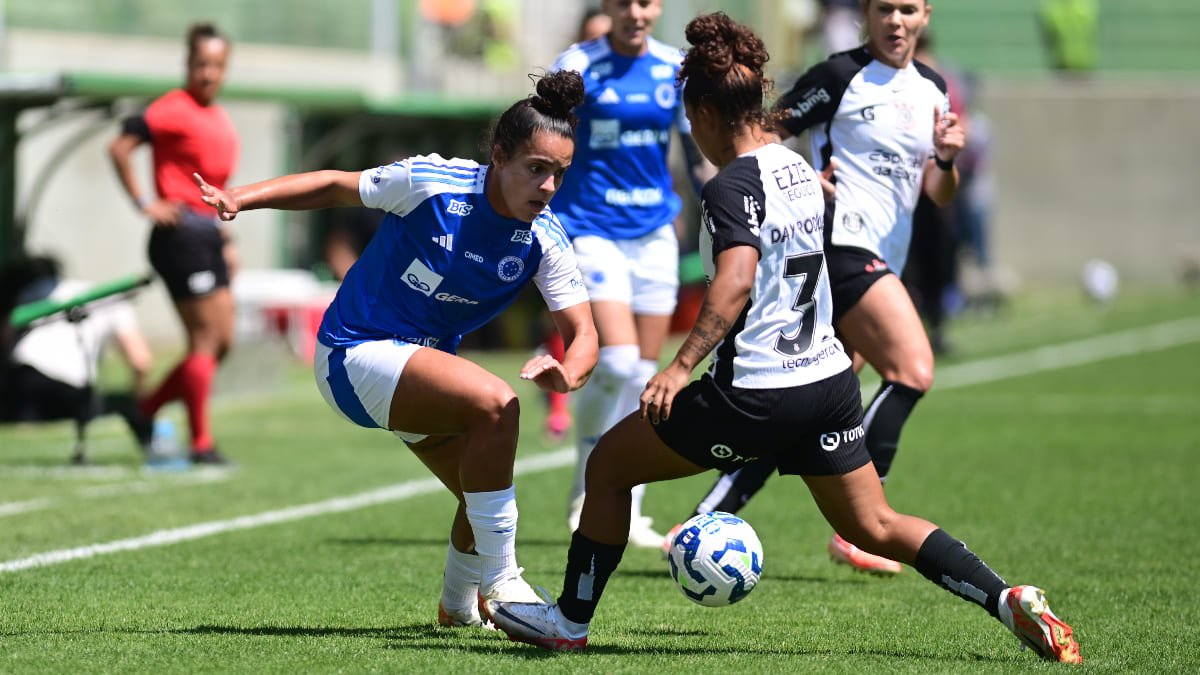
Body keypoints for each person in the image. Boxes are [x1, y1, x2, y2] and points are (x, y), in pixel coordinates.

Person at [483, 14, 1082, 664]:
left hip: (753, 395)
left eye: (692, 118)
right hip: (826, 386)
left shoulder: (727, 186)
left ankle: (569, 619)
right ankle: (1006, 596)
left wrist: (679, 366)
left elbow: (736, 278)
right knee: (873, 523)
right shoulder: (794, 166)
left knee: (607, 468)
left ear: (707, 112)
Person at [193, 70, 598, 630]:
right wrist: (242, 196)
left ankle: (457, 608)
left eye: (559, 174)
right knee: (498, 405)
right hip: (353, 352)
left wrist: (568, 372)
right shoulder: (433, 183)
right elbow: (335, 184)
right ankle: (504, 581)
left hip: (414, 370)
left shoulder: (545, 239)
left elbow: (585, 336)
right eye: (536, 169)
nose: (548, 186)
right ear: (500, 157)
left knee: (482, 486)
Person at [670, 0, 965, 576]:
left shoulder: (932, 87)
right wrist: (808, 181)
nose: (896, 21)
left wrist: (948, 163)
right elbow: (763, 134)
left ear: (926, 15)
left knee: (808, 401)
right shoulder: (838, 76)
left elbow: (940, 193)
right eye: (885, 9)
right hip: (842, 249)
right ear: (867, 14)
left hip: (886, 258)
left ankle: (712, 509)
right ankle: (862, 527)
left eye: (908, 10)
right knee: (912, 368)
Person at [550, 0, 711, 548]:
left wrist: (724, 199)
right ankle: (585, 481)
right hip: (592, 228)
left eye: (645, 2)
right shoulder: (577, 64)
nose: (635, 12)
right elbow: (544, 133)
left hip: (654, 234)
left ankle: (630, 506)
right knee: (616, 362)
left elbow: (697, 150)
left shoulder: (673, 67)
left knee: (646, 376)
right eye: (623, 3)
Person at [108, 23, 239, 465]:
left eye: (217, 65)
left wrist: (228, 239)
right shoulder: (173, 108)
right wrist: (146, 202)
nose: (209, 73)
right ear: (187, 64)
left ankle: (143, 410)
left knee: (223, 340)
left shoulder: (217, 118)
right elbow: (120, 147)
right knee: (204, 338)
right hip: (179, 236)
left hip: (207, 236)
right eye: (201, 64)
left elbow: (217, 186)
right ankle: (201, 444)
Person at [536, 5, 613, 443]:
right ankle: (564, 404)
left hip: (628, 226)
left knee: (622, 350)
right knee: (575, 321)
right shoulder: (567, 102)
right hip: (575, 219)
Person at [0, 255, 154, 462]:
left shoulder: (37, 290)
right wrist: (138, 402)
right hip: (70, 387)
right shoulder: (113, 300)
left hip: (22, 377)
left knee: (25, 423)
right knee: (108, 407)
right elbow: (141, 361)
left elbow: (7, 334)